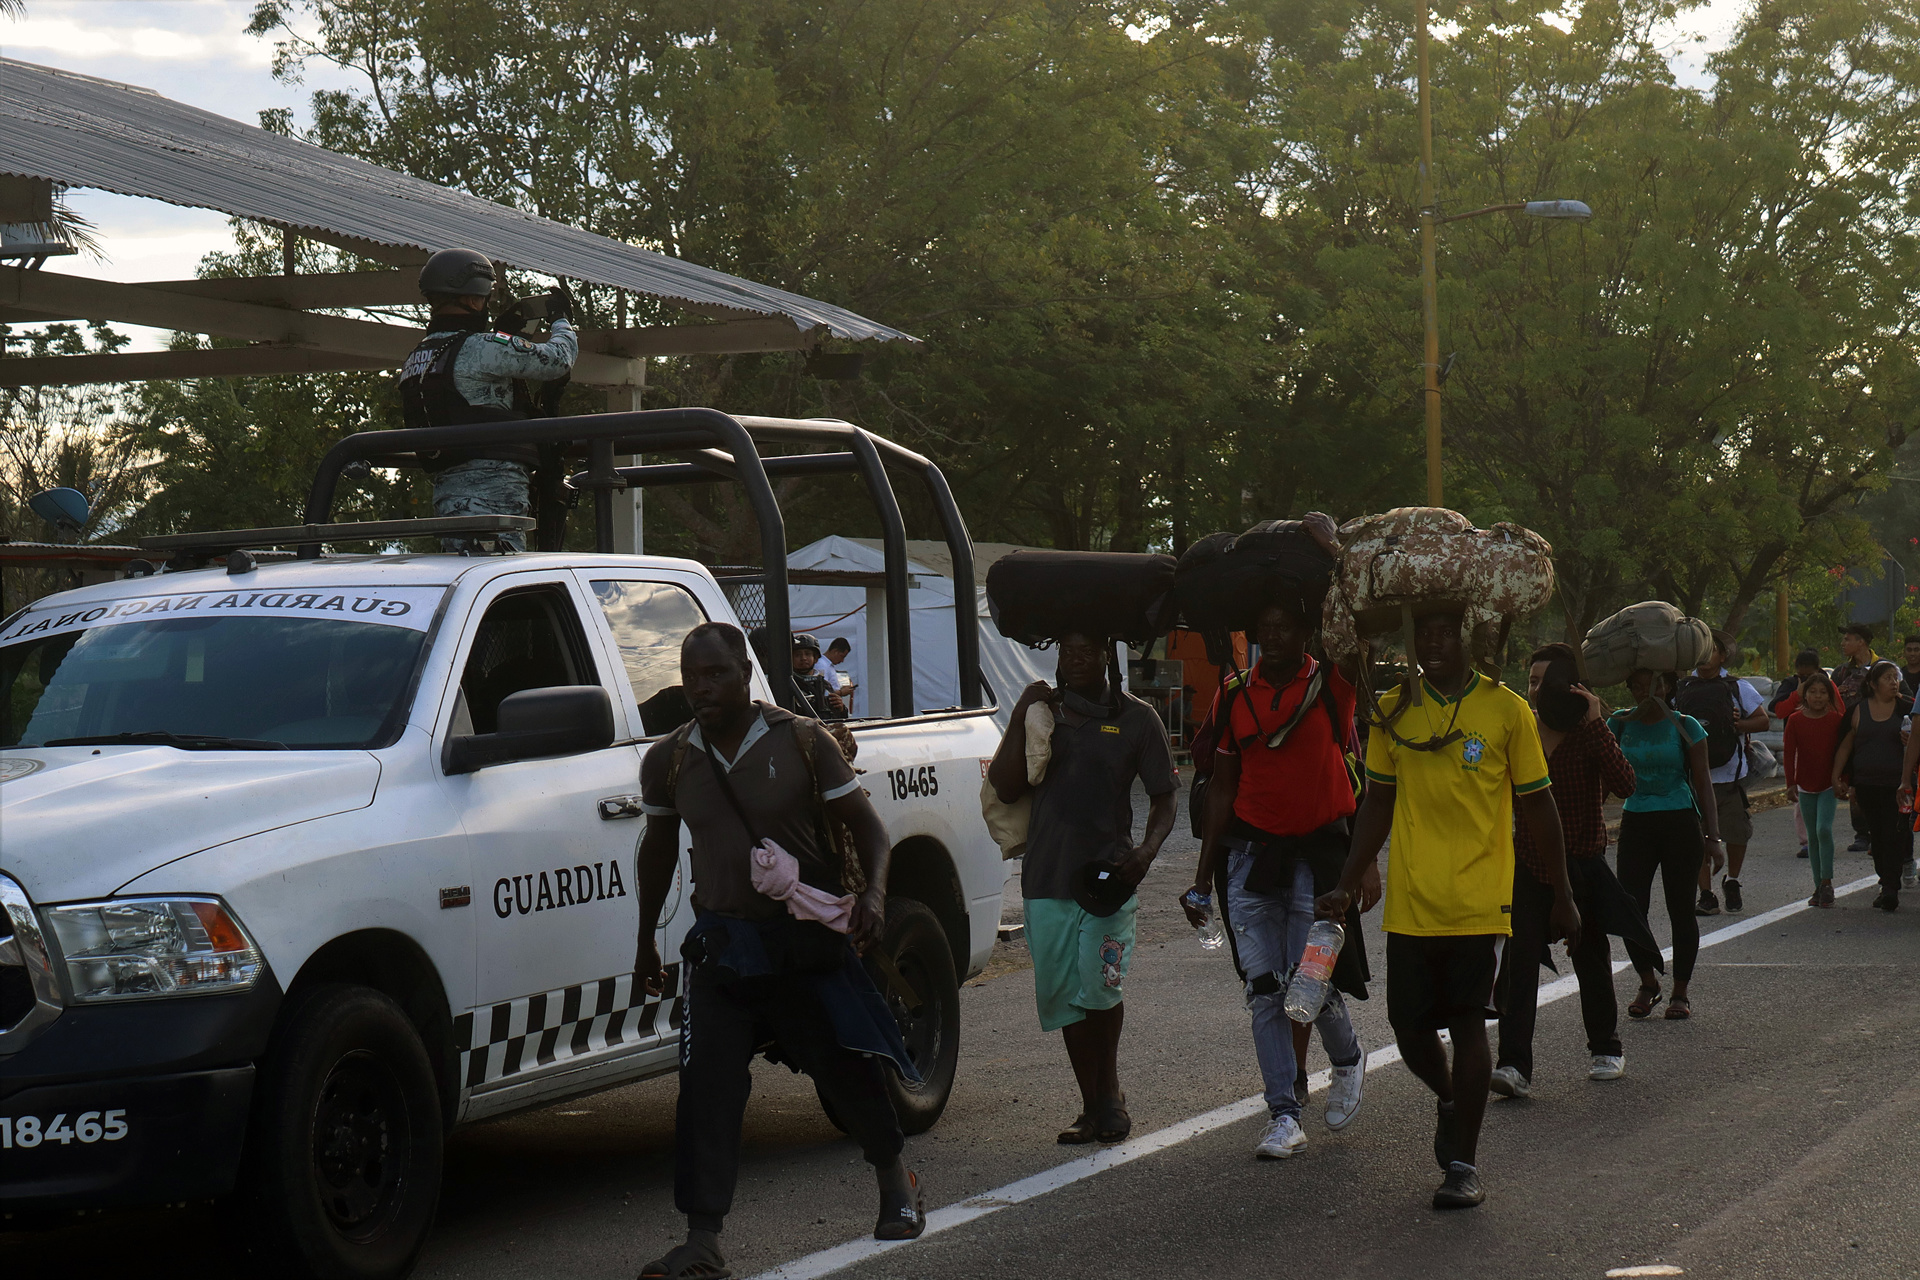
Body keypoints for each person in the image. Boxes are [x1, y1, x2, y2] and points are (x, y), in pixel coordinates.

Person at [633, 623, 924, 1278]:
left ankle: (894, 1183)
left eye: (714, 674)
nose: (700, 688)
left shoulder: (801, 740)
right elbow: (655, 853)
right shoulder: (672, 758)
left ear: (744, 672)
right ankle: (702, 1240)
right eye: (691, 676)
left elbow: (868, 831)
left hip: (801, 944)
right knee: (706, 1088)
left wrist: (873, 897)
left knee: (844, 1070)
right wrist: (646, 940)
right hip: (721, 946)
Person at [1316, 610, 1579, 1211]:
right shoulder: (1391, 709)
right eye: (1423, 632)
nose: (1432, 642)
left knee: (1467, 1025)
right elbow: (1378, 803)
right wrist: (1346, 881)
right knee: (1410, 1031)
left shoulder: (1507, 709)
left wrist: (1563, 894)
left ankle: (1463, 1165)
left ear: (1472, 638)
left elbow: (1539, 808)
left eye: (1444, 631)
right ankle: (1453, 1098)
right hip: (1411, 901)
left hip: (1481, 902)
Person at [1181, 513, 1376, 1161]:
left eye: (1284, 627)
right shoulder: (1234, 695)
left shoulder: (1333, 686)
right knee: (1264, 989)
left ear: (1304, 630)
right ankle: (1283, 1114)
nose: (1274, 636)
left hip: (1318, 858)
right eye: (1264, 631)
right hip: (1252, 862)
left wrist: (1329, 547)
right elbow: (1220, 791)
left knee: (1307, 985)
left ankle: (1347, 1058)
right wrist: (1203, 877)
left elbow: (1363, 624)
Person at [989, 630, 1177, 1146]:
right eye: (1065, 651)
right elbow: (1006, 786)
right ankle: (1091, 1105)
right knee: (1065, 998)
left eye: (1085, 649)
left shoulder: (1138, 718)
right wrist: (1019, 712)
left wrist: (1144, 852)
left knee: (1100, 988)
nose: (1073, 659)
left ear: (1105, 657)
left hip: (1107, 881)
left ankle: (1111, 1094)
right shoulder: (1042, 715)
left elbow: (1165, 799)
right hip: (1046, 878)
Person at [1492, 644, 1642, 1098]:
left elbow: (1625, 785)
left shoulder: (1588, 731)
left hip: (1583, 866)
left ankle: (1606, 1048)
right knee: (1519, 969)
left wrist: (1597, 723)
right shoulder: (1521, 730)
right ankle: (1513, 1065)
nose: (1534, 691)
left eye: (1542, 682)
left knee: (1590, 957)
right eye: (1530, 682)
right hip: (1530, 865)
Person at [398, 247, 577, 552]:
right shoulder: (481, 348)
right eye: (485, 298)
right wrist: (561, 320)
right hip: (495, 506)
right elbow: (558, 359)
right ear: (471, 299)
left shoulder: (417, 357)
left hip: (450, 502)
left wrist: (504, 333)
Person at [1609, 668, 1721, 1021]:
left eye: (1653, 684)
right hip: (1636, 821)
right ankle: (1647, 982)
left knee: (1681, 909)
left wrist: (1713, 837)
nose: (1646, 691)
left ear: (1668, 686)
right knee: (1630, 908)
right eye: (1637, 684)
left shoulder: (1685, 725)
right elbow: (1604, 773)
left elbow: (1703, 782)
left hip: (1679, 822)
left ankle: (1680, 992)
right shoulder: (1619, 723)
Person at [1673, 631, 1767, 915]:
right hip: (1694, 780)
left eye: (1711, 650)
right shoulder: (1682, 687)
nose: (1706, 656)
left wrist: (1739, 725)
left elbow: (1762, 721)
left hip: (1729, 778)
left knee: (1737, 833)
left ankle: (1733, 880)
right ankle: (1706, 894)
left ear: (1723, 655)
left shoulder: (1737, 687)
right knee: (1698, 838)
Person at [1834, 659, 1913, 911]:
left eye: (1895, 677)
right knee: (1877, 836)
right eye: (1887, 677)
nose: (1893, 682)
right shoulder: (1858, 710)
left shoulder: (1906, 708)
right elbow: (1846, 744)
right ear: (1873, 683)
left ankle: (1891, 888)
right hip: (1867, 784)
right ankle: (1886, 880)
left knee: (1895, 834)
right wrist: (1836, 776)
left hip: (1899, 785)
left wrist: (1911, 739)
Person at [1783, 670, 1844, 908]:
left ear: (1829, 696)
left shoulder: (1837, 720)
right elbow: (1788, 754)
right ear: (1804, 695)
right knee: (1812, 836)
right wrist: (1790, 784)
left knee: (1823, 830)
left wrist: (1843, 779)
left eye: (1822, 693)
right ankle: (1818, 885)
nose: (1818, 697)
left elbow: (1843, 752)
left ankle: (1827, 882)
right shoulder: (1796, 721)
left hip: (1829, 784)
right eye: (1813, 692)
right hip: (1805, 785)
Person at [1769, 649, 1825, 859]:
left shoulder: (1826, 686)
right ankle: (1807, 841)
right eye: (1803, 677)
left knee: (1823, 794)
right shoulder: (1791, 685)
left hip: (1823, 746)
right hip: (1798, 749)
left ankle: (1821, 836)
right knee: (1802, 798)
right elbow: (1780, 711)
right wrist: (1798, 694)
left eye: (1809, 676)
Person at [1833, 623, 1879, 853]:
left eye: (1847, 639)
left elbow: (1903, 699)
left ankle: (1879, 830)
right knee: (1855, 789)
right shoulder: (1841, 672)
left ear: (1861, 642)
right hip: (1851, 739)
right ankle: (1861, 833)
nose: (1843, 644)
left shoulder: (1883, 668)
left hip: (1879, 739)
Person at [790, 633, 847, 720]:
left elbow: (837, 719)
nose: (803, 658)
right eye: (798, 655)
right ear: (791, 659)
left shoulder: (825, 685)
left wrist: (841, 708)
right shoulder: (787, 685)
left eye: (808, 654)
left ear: (816, 658)